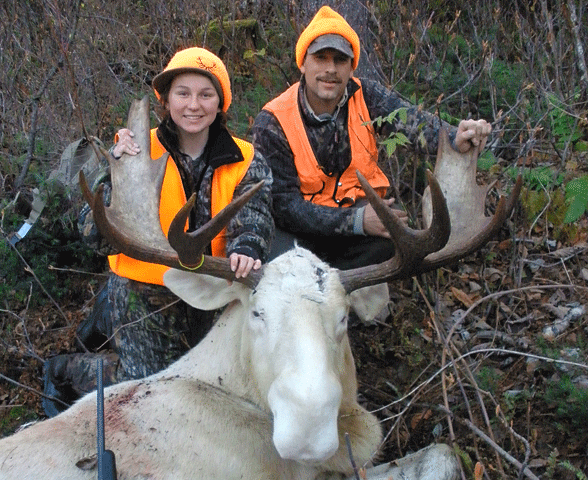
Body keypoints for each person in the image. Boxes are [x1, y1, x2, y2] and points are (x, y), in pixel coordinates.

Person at [43, 47, 274, 416]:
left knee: (215, 388)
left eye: (206, 94)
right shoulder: (135, 151)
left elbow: (256, 215)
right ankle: (65, 370)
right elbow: (91, 233)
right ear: (166, 101)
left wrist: (247, 245)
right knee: (148, 393)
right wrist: (115, 171)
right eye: (183, 93)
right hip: (146, 291)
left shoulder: (247, 158)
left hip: (215, 290)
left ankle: (103, 327)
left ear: (220, 103)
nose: (193, 105)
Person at [251, 5, 491, 271]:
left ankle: (358, 304)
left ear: (352, 67)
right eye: (321, 58)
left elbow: (413, 123)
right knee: (276, 261)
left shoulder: (367, 96)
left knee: (397, 243)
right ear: (303, 63)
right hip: (300, 232)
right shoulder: (272, 120)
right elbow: (283, 205)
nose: (330, 69)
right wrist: (357, 221)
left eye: (340, 60)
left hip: (356, 226)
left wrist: (457, 136)